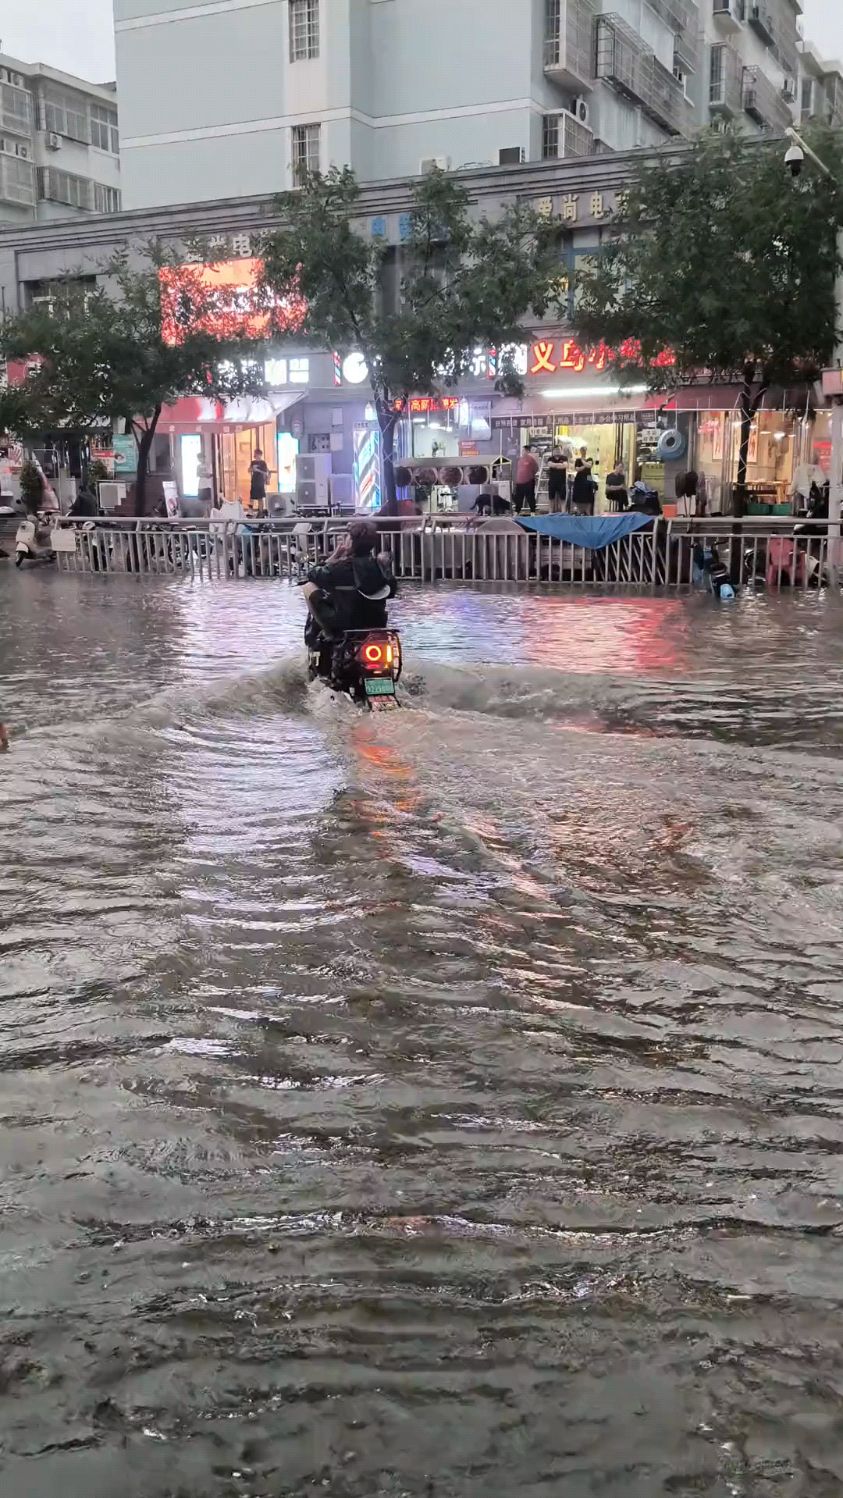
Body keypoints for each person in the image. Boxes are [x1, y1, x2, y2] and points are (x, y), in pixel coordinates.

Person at [303, 519, 397, 650]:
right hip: (376, 621)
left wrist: (333, 557)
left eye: (347, 536)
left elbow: (312, 574)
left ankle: (323, 634)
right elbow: (392, 590)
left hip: (343, 621)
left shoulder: (339, 568)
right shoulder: (378, 566)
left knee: (308, 586)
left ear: (351, 542)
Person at [514, 445, 539, 514]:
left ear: (527, 451)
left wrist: (530, 475)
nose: (522, 452)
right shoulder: (520, 460)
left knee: (530, 497)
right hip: (519, 482)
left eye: (524, 450)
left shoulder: (531, 459)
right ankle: (517, 511)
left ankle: (532, 511)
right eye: (522, 450)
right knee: (519, 497)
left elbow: (536, 468)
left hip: (529, 481)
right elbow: (518, 470)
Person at [546, 448, 569, 513]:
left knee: (562, 499)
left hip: (562, 482)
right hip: (552, 482)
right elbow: (550, 464)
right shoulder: (550, 458)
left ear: (560, 451)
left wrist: (555, 465)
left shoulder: (564, 458)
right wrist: (560, 465)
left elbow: (565, 466)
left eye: (558, 450)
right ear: (553, 451)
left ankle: (563, 512)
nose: (557, 451)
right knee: (551, 499)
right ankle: (550, 513)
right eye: (555, 450)